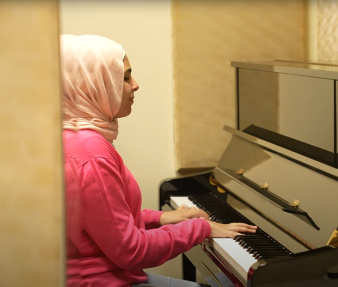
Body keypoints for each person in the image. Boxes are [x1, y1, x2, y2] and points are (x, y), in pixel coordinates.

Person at [61, 34, 257, 287]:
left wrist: (159, 219)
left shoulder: (70, 136)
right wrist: (201, 229)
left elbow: (102, 220)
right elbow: (132, 251)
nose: (136, 84)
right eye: (124, 76)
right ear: (90, 83)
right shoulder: (91, 152)